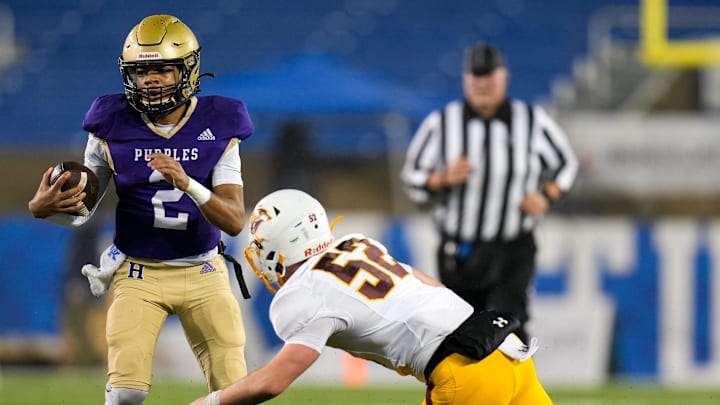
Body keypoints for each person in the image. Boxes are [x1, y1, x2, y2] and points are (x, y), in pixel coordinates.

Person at [27, 15, 253, 405]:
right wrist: (42, 207)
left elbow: (233, 220)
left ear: (188, 69)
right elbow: (84, 210)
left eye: (163, 69)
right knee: (126, 394)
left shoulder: (218, 124)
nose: (150, 79)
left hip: (204, 272)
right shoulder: (110, 124)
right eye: (141, 71)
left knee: (234, 393)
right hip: (138, 272)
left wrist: (188, 183)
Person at [190, 188, 553, 405]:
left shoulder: (302, 295)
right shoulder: (356, 243)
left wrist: (211, 401)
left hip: (464, 372)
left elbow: (273, 381)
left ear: (277, 247)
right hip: (504, 348)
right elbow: (427, 283)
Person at [400, 43, 578, 342]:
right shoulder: (442, 124)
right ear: (465, 80)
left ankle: (515, 389)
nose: (482, 84)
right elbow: (412, 178)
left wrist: (546, 195)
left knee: (511, 322)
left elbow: (566, 164)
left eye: (489, 77)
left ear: (504, 78)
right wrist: (441, 179)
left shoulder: (531, 121)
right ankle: (466, 390)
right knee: (459, 327)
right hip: (460, 249)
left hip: (513, 245)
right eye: (475, 77)